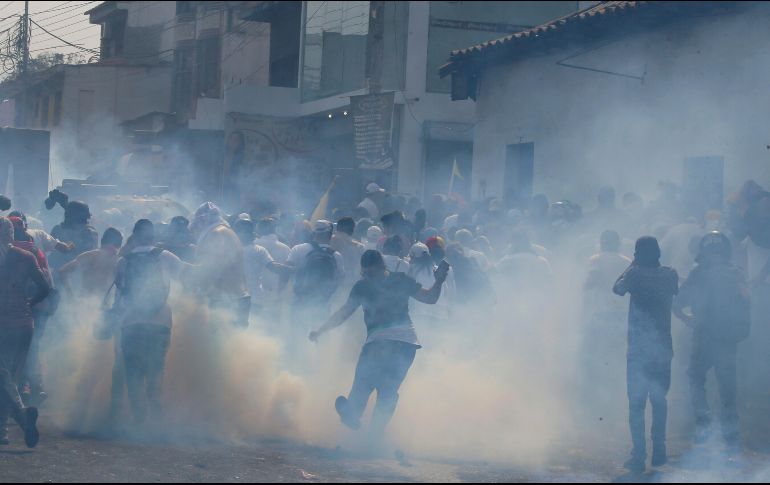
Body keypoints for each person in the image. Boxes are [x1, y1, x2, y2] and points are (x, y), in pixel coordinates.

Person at [309, 250, 449, 439]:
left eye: (372, 273)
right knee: (369, 384)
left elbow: (430, 298)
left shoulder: (398, 280)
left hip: (400, 342)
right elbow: (344, 312)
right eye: (366, 273)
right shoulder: (363, 286)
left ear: (382, 267)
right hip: (398, 343)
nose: (370, 277)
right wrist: (322, 330)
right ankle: (359, 423)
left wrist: (439, 281)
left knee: (382, 388)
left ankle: (368, 431)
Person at [674, 232, 749, 450]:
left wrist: (687, 319)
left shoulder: (698, 274)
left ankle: (704, 424)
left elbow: (677, 304)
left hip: (704, 337)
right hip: (728, 339)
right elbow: (747, 303)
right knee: (727, 387)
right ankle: (731, 436)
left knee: (695, 377)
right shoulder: (737, 274)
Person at [613, 237, 679, 473]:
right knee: (659, 400)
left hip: (639, 351)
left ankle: (639, 454)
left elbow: (617, 288)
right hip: (663, 348)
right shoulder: (670, 274)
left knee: (637, 404)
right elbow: (675, 296)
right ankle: (659, 450)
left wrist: (631, 265)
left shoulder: (634, 274)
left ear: (637, 254)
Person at [114, 220, 188, 425]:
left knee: (133, 372)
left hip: (131, 324)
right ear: (153, 236)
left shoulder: (123, 261)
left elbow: (119, 296)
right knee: (156, 370)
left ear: (134, 237)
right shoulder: (165, 256)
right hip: (160, 323)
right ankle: (156, 419)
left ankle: (139, 419)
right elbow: (188, 275)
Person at [59, 227, 125, 422]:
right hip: (106, 313)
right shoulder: (119, 261)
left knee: (87, 356)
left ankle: (78, 403)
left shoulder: (90, 256)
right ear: (117, 244)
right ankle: (95, 404)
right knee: (103, 358)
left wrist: (71, 296)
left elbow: (63, 271)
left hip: (88, 310)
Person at [0, 217, 49, 447]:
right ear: (11, 234)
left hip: (4, 324)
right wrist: (29, 302)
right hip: (24, 324)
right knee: (9, 377)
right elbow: (46, 287)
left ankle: (20, 416)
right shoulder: (26, 256)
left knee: (5, 379)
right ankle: (3, 431)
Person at [189, 202, 250, 328]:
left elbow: (213, 267)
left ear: (203, 220)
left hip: (227, 299)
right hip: (235, 297)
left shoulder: (216, 234)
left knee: (222, 338)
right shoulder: (224, 231)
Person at [233, 217, 274, 316]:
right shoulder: (259, 250)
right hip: (250, 299)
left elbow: (273, 266)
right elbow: (273, 266)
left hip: (246, 299)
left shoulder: (258, 250)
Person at [48, 200, 99, 279]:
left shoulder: (57, 229)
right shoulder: (89, 232)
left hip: (69, 274)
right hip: (73, 275)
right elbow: (93, 255)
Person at [330, 217, 365, 290]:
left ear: (338, 227)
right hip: (351, 285)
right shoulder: (359, 247)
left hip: (332, 285)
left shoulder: (327, 241)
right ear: (353, 229)